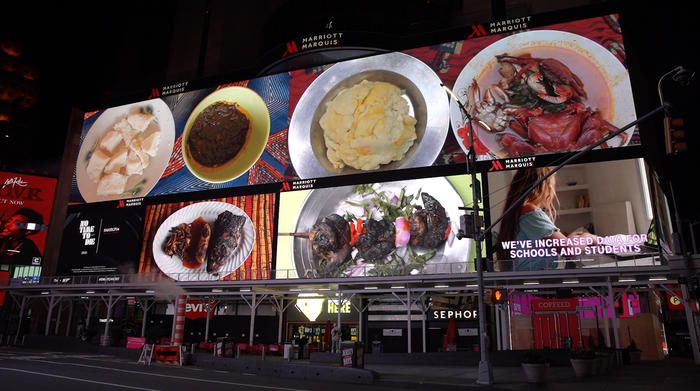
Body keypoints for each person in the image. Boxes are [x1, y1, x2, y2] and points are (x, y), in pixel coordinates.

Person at [496, 168, 592, 271]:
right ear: (543, 187)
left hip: (524, 281)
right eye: (552, 185)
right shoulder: (530, 212)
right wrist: (588, 237)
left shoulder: (516, 212)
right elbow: (569, 249)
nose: (553, 191)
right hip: (535, 281)